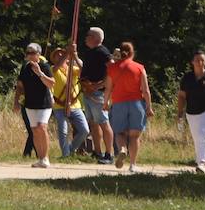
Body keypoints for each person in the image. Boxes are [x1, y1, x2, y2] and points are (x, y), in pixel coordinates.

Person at [104, 41, 153, 172]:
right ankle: (133, 165)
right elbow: (146, 90)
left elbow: (108, 89)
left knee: (120, 133)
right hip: (137, 104)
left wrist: (105, 104)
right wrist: (149, 107)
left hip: (119, 104)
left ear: (121, 52)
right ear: (132, 53)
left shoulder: (112, 68)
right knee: (134, 136)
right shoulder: (139, 67)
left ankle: (122, 149)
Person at [13, 43, 55, 168]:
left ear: (38, 54)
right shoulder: (25, 68)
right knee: (35, 130)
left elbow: (51, 84)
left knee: (42, 127)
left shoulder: (44, 66)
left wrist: (39, 73)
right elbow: (20, 86)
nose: (29, 55)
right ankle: (41, 158)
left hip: (44, 103)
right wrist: (16, 101)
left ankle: (46, 157)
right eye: (28, 53)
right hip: (30, 104)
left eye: (32, 53)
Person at [177, 50, 205, 173]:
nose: (200, 62)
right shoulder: (187, 78)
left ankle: (203, 163)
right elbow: (182, 96)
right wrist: (180, 113)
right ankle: (199, 161)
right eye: (197, 60)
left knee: (203, 135)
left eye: (202, 60)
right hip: (191, 112)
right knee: (197, 137)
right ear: (192, 62)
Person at [79, 27, 115, 164]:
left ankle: (109, 154)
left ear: (95, 37)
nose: (86, 37)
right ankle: (97, 152)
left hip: (97, 93)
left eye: (88, 35)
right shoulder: (91, 52)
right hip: (89, 92)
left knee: (104, 123)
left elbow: (112, 69)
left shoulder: (102, 51)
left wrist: (100, 85)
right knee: (94, 123)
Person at [50, 46, 90, 159]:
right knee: (63, 130)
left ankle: (71, 149)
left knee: (84, 130)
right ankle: (65, 154)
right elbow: (56, 68)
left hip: (74, 105)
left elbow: (83, 69)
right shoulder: (53, 68)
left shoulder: (73, 69)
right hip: (59, 106)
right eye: (57, 54)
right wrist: (68, 53)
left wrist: (75, 56)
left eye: (61, 54)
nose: (60, 55)